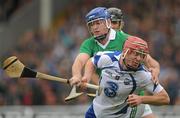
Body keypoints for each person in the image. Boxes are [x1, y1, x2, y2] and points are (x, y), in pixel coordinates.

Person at [80, 36, 169, 118]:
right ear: (126, 52)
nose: (138, 59)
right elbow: (91, 62)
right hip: (95, 112)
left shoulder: (143, 75)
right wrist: (86, 77)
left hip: (118, 116)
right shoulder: (109, 58)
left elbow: (165, 98)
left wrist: (141, 99)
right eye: (136, 54)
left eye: (142, 55)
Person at [107, 7, 158, 118]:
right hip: (110, 100)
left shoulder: (129, 41)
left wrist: (154, 70)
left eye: (114, 22)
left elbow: (153, 64)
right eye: (108, 23)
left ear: (121, 24)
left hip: (133, 98)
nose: (111, 26)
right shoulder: (96, 43)